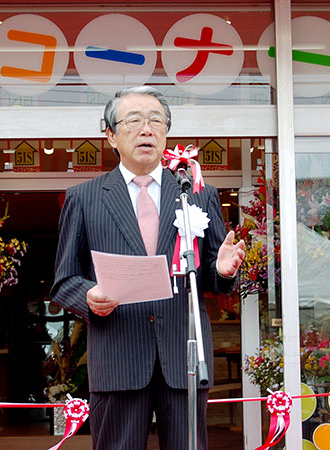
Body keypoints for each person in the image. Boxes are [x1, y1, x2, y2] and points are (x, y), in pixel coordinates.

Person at [50, 86, 245, 450]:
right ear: (111, 135)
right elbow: (64, 282)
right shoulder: (85, 197)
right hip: (118, 356)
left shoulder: (195, 192)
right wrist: (90, 296)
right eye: (134, 121)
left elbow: (215, 280)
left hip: (183, 356)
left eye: (156, 121)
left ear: (166, 133)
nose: (146, 129)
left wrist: (223, 270)